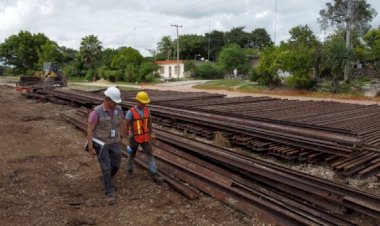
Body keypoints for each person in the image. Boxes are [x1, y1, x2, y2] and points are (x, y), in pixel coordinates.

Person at [87, 86, 124, 201]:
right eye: (114, 101)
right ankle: (109, 191)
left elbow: (121, 123)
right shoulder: (96, 112)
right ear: (107, 99)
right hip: (101, 144)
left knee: (116, 165)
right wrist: (90, 147)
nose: (115, 104)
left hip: (115, 142)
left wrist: (121, 136)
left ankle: (106, 178)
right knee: (106, 168)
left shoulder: (119, 109)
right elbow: (90, 130)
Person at [124, 91, 163, 184]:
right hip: (134, 137)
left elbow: (149, 122)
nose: (144, 104)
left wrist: (151, 132)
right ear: (137, 101)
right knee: (131, 155)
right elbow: (125, 125)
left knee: (150, 155)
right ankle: (130, 170)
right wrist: (126, 137)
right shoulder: (131, 112)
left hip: (145, 137)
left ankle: (153, 172)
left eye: (145, 102)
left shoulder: (147, 110)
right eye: (142, 102)